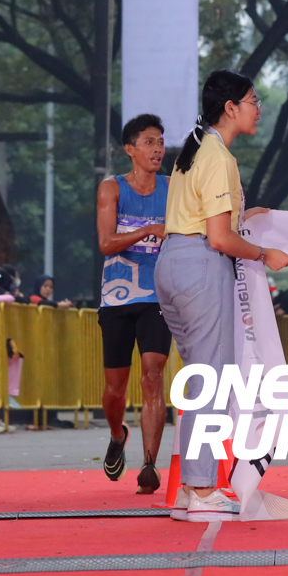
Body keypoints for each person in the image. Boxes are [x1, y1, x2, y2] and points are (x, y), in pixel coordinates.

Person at [155, 69, 288, 522]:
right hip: (201, 265)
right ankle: (201, 489)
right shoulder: (219, 156)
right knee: (211, 380)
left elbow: (205, 219)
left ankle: (191, 489)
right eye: (254, 101)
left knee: (201, 378)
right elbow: (219, 238)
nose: (259, 109)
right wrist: (265, 254)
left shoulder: (193, 150)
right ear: (231, 107)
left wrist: (244, 215)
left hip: (171, 263)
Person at [96, 112, 172, 494]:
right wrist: (147, 230)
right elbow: (106, 243)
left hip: (158, 294)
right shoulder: (112, 188)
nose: (158, 149)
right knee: (115, 389)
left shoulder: (174, 188)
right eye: (149, 142)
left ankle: (149, 464)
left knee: (153, 374)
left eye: (160, 142)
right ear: (130, 149)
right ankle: (117, 433)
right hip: (117, 297)